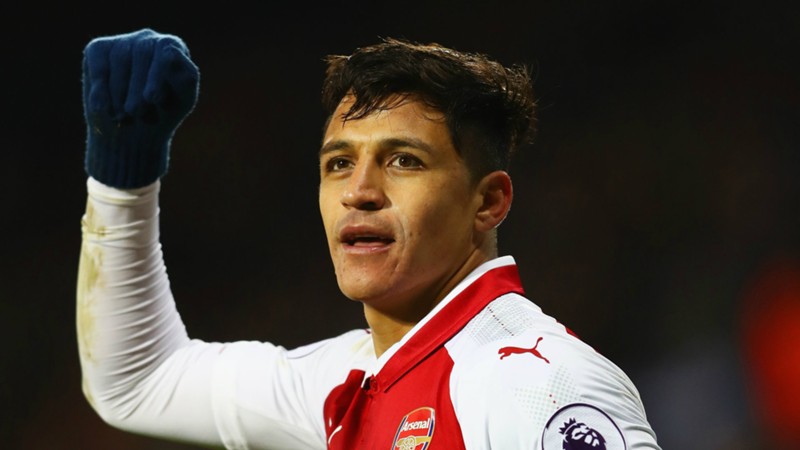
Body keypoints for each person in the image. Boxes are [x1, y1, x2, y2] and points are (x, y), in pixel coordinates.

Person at [77, 28, 661, 449]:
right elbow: (138, 381)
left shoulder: (535, 381)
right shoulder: (350, 380)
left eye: (403, 160)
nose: (359, 191)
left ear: (488, 202)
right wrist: (122, 177)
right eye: (339, 164)